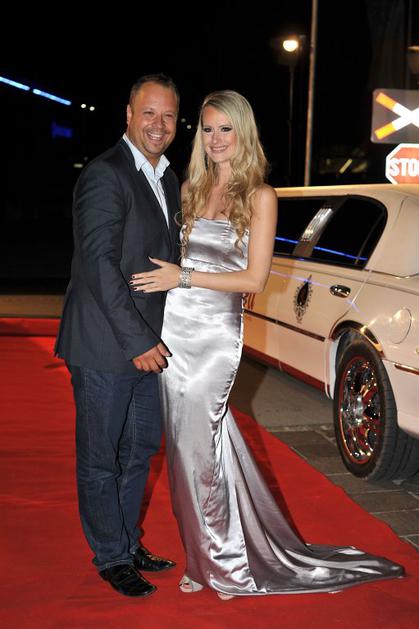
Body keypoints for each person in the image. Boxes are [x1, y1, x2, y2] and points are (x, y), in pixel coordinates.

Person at [130, 89, 405, 599]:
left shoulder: (260, 196)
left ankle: (225, 564)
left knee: (200, 449)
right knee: (190, 449)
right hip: (175, 331)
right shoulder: (189, 188)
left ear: (244, 133)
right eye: (208, 129)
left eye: (226, 129)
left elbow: (254, 280)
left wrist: (182, 277)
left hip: (214, 336)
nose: (215, 139)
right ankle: (206, 554)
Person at [54, 74, 181, 598]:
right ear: (128, 115)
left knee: (139, 449)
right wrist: (137, 341)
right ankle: (111, 556)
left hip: (147, 341)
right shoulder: (106, 174)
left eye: (168, 116)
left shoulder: (167, 177)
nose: (158, 125)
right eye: (148, 113)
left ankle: (127, 542)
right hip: (107, 343)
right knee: (101, 456)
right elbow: (98, 264)